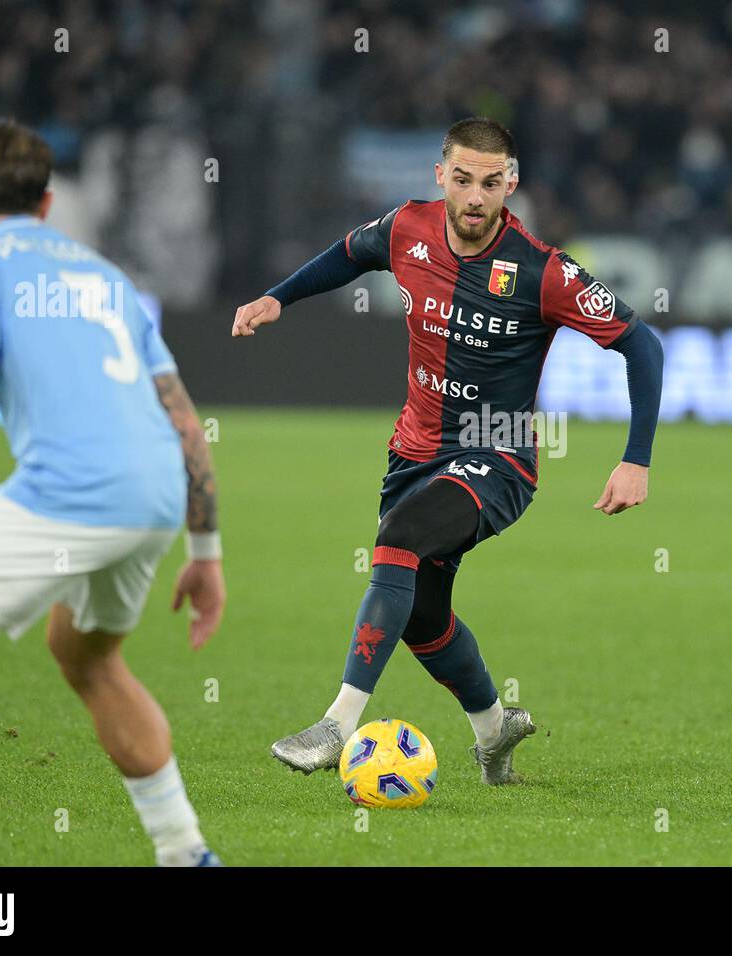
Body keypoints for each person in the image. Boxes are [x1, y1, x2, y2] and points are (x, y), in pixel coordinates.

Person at [233, 117, 663, 784]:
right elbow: (350, 253)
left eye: (490, 184)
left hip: (500, 455)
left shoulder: (544, 271)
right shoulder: (407, 227)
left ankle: (337, 724)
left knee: (400, 538)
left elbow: (644, 345)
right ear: (441, 176)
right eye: (462, 180)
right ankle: (494, 732)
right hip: (414, 452)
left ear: (510, 185)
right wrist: (277, 298)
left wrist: (636, 459)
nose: (473, 198)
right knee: (422, 613)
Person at [0, 120, 227, 865]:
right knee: (88, 657)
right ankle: (185, 852)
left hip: (71, 495)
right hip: (155, 499)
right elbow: (185, 420)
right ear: (49, 201)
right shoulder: (108, 275)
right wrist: (205, 550)